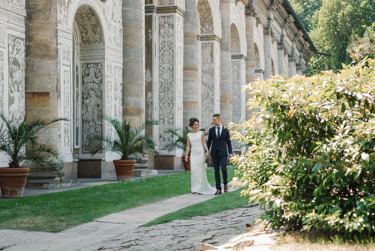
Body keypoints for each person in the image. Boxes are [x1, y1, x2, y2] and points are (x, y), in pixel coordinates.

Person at [185, 118, 216, 195]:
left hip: (200, 153)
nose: (197, 126)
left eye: (198, 124)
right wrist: (186, 155)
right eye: (195, 125)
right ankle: (195, 188)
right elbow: (188, 146)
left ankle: (199, 189)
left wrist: (207, 151)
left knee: (200, 171)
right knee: (194, 171)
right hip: (193, 154)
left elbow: (204, 143)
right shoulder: (188, 135)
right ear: (192, 126)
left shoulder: (201, 133)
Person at [207, 114, 233, 195]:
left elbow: (229, 142)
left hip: (223, 153)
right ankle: (218, 189)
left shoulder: (226, 129)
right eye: (212, 119)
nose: (213, 121)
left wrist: (230, 153)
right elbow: (209, 141)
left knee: (224, 168)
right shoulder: (211, 130)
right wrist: (207, 151)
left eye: (214, 120)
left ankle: (225, 183)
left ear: (219, 120)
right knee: (216, 171)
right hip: (214, 153)